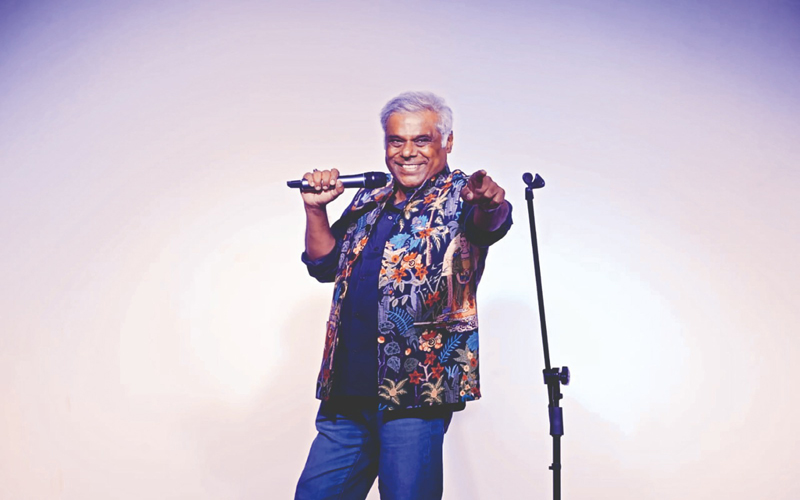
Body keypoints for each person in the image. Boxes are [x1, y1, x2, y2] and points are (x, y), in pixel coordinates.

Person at [295, 91, 512, 500]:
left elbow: (490, 224)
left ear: (447, 141)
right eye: (397, 141)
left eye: (422, 140)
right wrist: (315, 210)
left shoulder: (463, 196)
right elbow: (324, 265)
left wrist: (488, 204)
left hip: (414, 392)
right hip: (346, 391)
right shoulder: (370, 196)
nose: (407, 152)